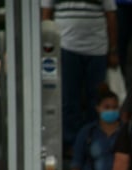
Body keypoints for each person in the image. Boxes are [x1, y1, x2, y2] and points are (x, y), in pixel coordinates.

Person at [41, 0, 119, 155]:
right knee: (69, 99)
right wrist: (46, 49)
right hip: (66, 47)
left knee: (95, 99)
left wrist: (113, 50)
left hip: (97, 49)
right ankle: (72, 144)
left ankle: (94, 140)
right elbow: (46, 16)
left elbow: (111, 16)